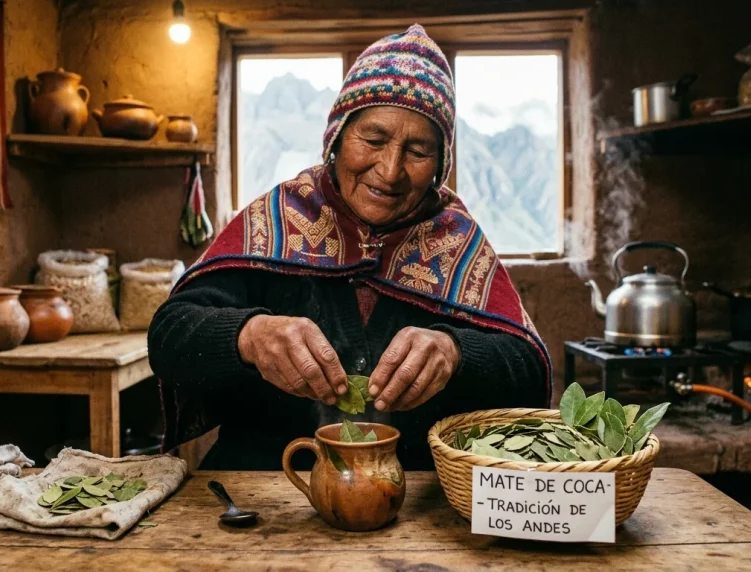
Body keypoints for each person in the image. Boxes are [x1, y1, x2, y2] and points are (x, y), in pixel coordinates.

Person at [148, 24, 551, 471]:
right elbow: (169, 337)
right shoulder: (278, 220)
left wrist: (455, 352)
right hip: (261, 484)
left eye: (418, 151)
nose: (391, 171)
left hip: (413, 492)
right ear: (337, 138)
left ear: (440, 167)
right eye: (373, 141)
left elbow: (528, 373)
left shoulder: (455, 241)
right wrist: (249, 335)